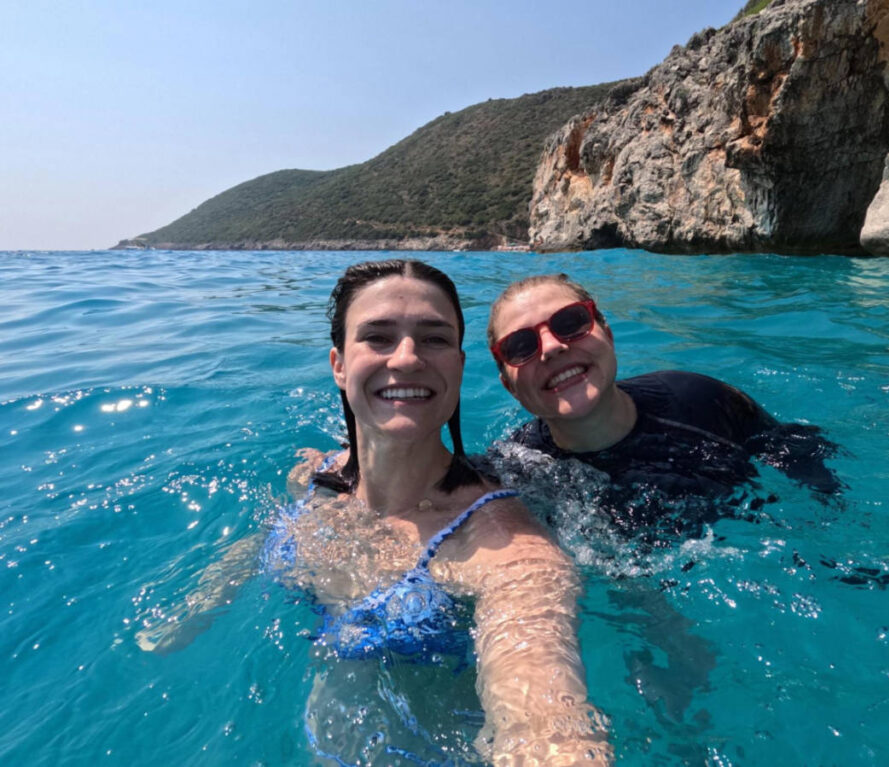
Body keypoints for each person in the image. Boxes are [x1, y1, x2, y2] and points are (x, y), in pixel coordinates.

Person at [139, 260, 611, 766]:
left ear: (458, 363)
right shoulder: (318, 476)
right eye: (379, 338)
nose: (406, 358)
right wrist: (208, 597)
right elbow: (272, 528)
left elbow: (545, 725)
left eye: (433, 339)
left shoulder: (509, 552)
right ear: (339, 364)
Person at [484, 273, 842, 538]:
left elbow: (800, 455)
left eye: (570, 322)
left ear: (607, 334)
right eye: (520, 347)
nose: (551, 347)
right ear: (509, 386)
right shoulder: (512, 475)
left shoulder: (701, 401)